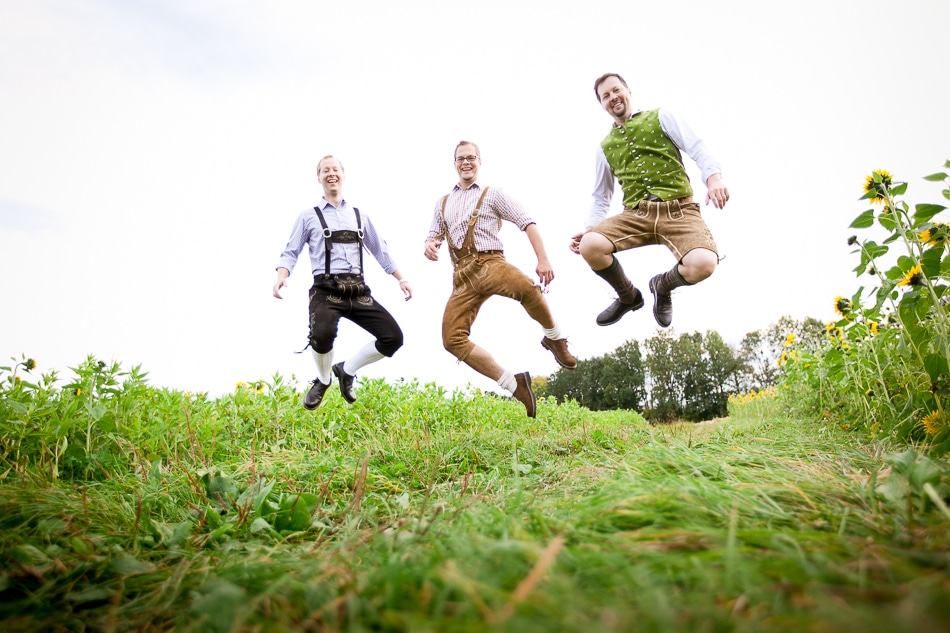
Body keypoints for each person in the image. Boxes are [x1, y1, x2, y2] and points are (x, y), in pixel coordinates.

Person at [424, 141, 577, 418]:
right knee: (451, 339)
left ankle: (555, 339)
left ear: (480, 162)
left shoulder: (492, 194)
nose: (466, 162)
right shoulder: (442, 203)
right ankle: (513, 384)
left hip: (490, 263)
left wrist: (543, 259)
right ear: (454, 163)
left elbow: (527, 221)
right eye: (461, 159)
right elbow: (433, 233)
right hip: (462, 276)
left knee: (528, 289)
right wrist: (430, 244)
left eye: (471, 157)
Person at [569, 72, 729, 329]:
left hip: (679, 210)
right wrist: (590, 229)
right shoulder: (605, 147)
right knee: (590, 245)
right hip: (636, 214)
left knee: (705, 263)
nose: (613, 98)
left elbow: (697, 147)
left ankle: (662, 286)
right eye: (605, 96)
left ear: (628, 91)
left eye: (616, 90)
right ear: (602, 104)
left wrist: (714, 180)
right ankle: (628, 296)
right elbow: (601, 197)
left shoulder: (661, 117)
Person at [274, 155, 412, 410]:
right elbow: (291, 250)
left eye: (335, 169)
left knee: (393, 338)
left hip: (358, 290)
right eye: (325, 170)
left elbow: (379, 249)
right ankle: (324, 379)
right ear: (319, 178)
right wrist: (282, 276)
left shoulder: (359, 215)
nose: (331, 174)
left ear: (343, 174)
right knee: (321, 335)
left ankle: (346, 371)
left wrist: (400, 278)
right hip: (326, 290)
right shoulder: (308, 216)